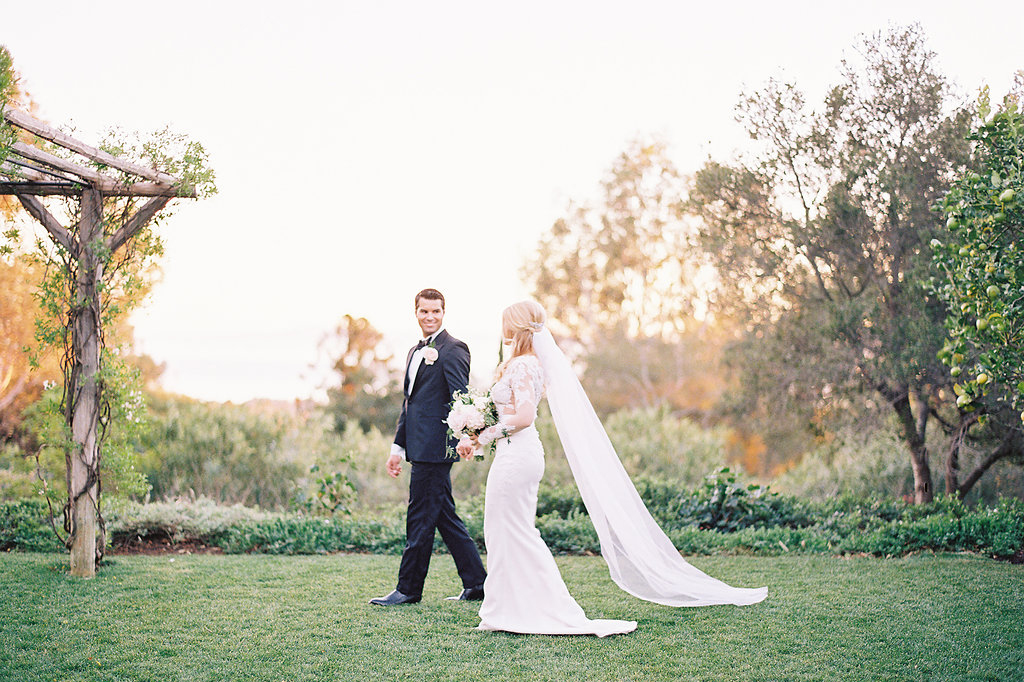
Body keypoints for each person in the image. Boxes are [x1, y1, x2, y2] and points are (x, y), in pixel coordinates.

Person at [457, 301, 766, 636]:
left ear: (516, 325)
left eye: (506, 321)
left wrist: (485, 433)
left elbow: (525, 416)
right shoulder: (517, 363)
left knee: (517, 531)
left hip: (518, 457)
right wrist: (476, 433)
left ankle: (540, 608)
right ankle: (504, 609)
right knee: (502, 531)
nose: (502, 327)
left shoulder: (525, 365)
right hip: (511, 454)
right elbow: (508, 414)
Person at [369, 289, 486, 606]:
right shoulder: (413, 351)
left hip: (437, 448)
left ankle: (408, 589)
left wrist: (465, 436)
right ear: (416, 313)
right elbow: (411, 405)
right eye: (424, 312)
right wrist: (397, 447)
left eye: (436, 311)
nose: (430, 317)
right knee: (444, 517)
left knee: (419, 517)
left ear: (444, 312)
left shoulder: (453, 349)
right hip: (416, 446)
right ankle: (477, 583)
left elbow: (460, 398)